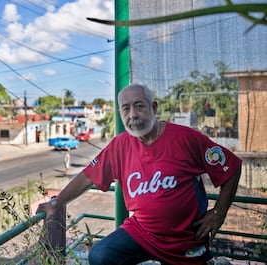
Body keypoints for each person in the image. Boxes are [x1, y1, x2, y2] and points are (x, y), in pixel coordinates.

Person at [37, 84, 241, 265]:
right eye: (126, 109)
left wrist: (219, 213)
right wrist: (56, 203)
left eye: (139, 106)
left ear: (154, 108)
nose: (132, 114)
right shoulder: (120, 145)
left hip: (185, 238)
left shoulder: (186, 138)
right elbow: (87, 176)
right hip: (143, 232)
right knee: (100, 255)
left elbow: (231, 167)